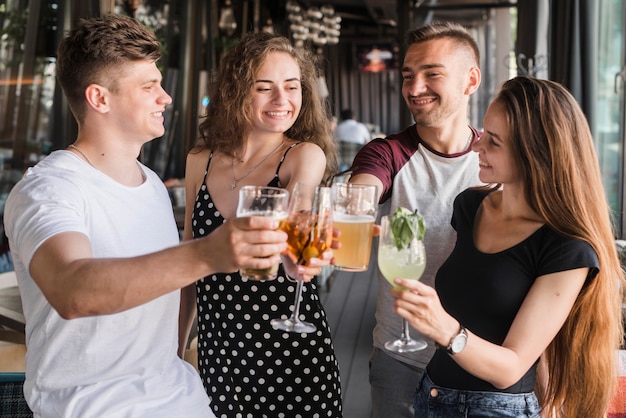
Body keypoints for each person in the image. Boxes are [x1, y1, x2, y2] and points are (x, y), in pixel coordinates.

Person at [3, 15, 288, 417]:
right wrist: (206, 254)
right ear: (99, 98)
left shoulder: (151, 183)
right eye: (149, 86)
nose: (166, 97)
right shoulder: (49, 189)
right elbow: (73, 291)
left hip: (181, 397)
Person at [391, 76, 624, 417]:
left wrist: (444, 328)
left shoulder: (567, 248)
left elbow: (511, 367)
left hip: (497, 409)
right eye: (483, 133)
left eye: (494, 142)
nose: (476, 147)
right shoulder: (469, 206)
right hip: (430, 394)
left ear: (537, 155)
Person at [178, 32, 343, 417]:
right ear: (237, 92)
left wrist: (298, 253)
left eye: (292, 87)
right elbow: (187, 263)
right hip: (218, 354)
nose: (282, 100)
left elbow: (300, 209)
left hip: (289, 355)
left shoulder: (303, 155)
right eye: (264, 88)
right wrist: (177, 348)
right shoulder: (199, 159)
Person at [348, 21, 483, 417]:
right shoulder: (387, 152)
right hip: (401, 357)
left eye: (432, 74)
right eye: (408, 75)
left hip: (478, 355)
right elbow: (362, 192)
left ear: (470, 80)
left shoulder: (495, 161)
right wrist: (351, 213)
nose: (414, 87)